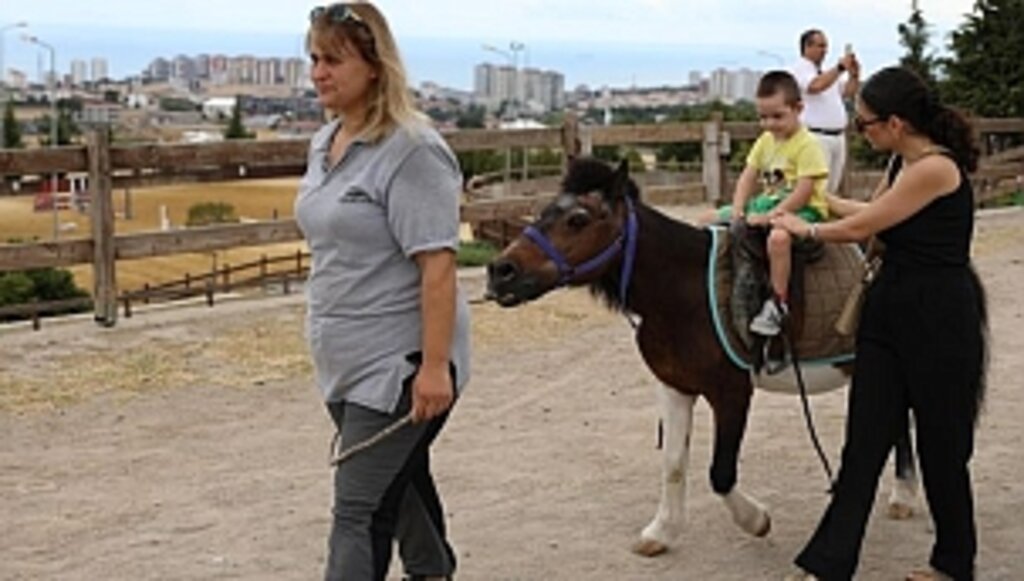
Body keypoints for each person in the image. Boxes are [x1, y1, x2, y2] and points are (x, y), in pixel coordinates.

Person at [772, 66, 988, 581]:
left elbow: (864, 226)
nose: (859, 129)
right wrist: (812, 197)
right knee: (863, 445)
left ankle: (954, 564)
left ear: (895, 122)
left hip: (940, 318)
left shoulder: (936, 168)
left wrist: (809, 228)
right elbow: (876, 213)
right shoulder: (901, 162)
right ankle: (828, 564)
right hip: (889, 309)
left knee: (942, 449)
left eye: (864, 122)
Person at [295, 4, 470, 580]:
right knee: (399, 476)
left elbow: (439, 266)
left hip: (397, 364)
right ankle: (432, 569)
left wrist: (435, 367)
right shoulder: (327, 141)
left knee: (358, 511)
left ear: (374, 66)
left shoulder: (412, 151)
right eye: (314, 58)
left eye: (334, 59)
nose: (319, 72)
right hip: (342, 359)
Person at [712, 70, 830, 336]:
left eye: (777, 116)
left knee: (778, 239)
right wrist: (739, 208)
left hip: (803, 210)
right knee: (708, 218)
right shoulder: (765, 141)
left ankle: (778, 302)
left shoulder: (807, 144)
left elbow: (804, 190)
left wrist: (773, 216)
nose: (769, 124)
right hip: (765, 204)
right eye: (763, 117)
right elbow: (748, 176)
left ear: (798, 109)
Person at [791, 29, 860, 195]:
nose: (825, 50)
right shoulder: (800, 69)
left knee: (831, 189)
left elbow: (847, 92)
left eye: (826, 46)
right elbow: (815, 86)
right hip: (816, 136)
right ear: (807, 47)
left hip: (837, 137)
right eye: (820, 46)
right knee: (817, 189)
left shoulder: (826, 74)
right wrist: (840, 68)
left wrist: (854, 76)